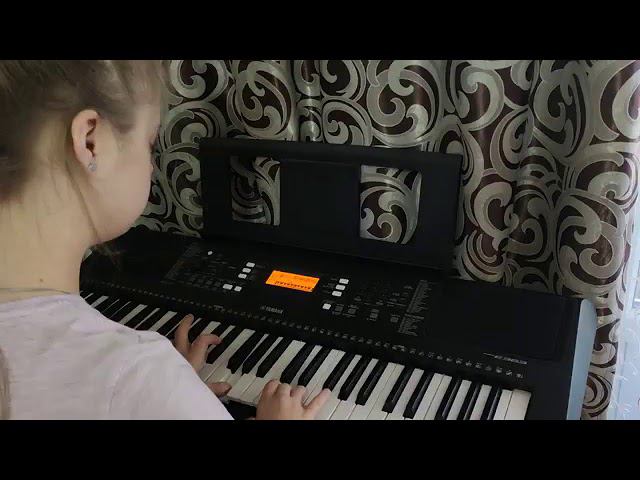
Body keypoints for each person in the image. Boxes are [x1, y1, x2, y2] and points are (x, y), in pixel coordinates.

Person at [0, 60, 330, 420]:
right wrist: (163, 392)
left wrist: (177, 396)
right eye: (151, 143)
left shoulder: (145, 384)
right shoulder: (139, 374)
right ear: (91, 142)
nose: (152, 166)